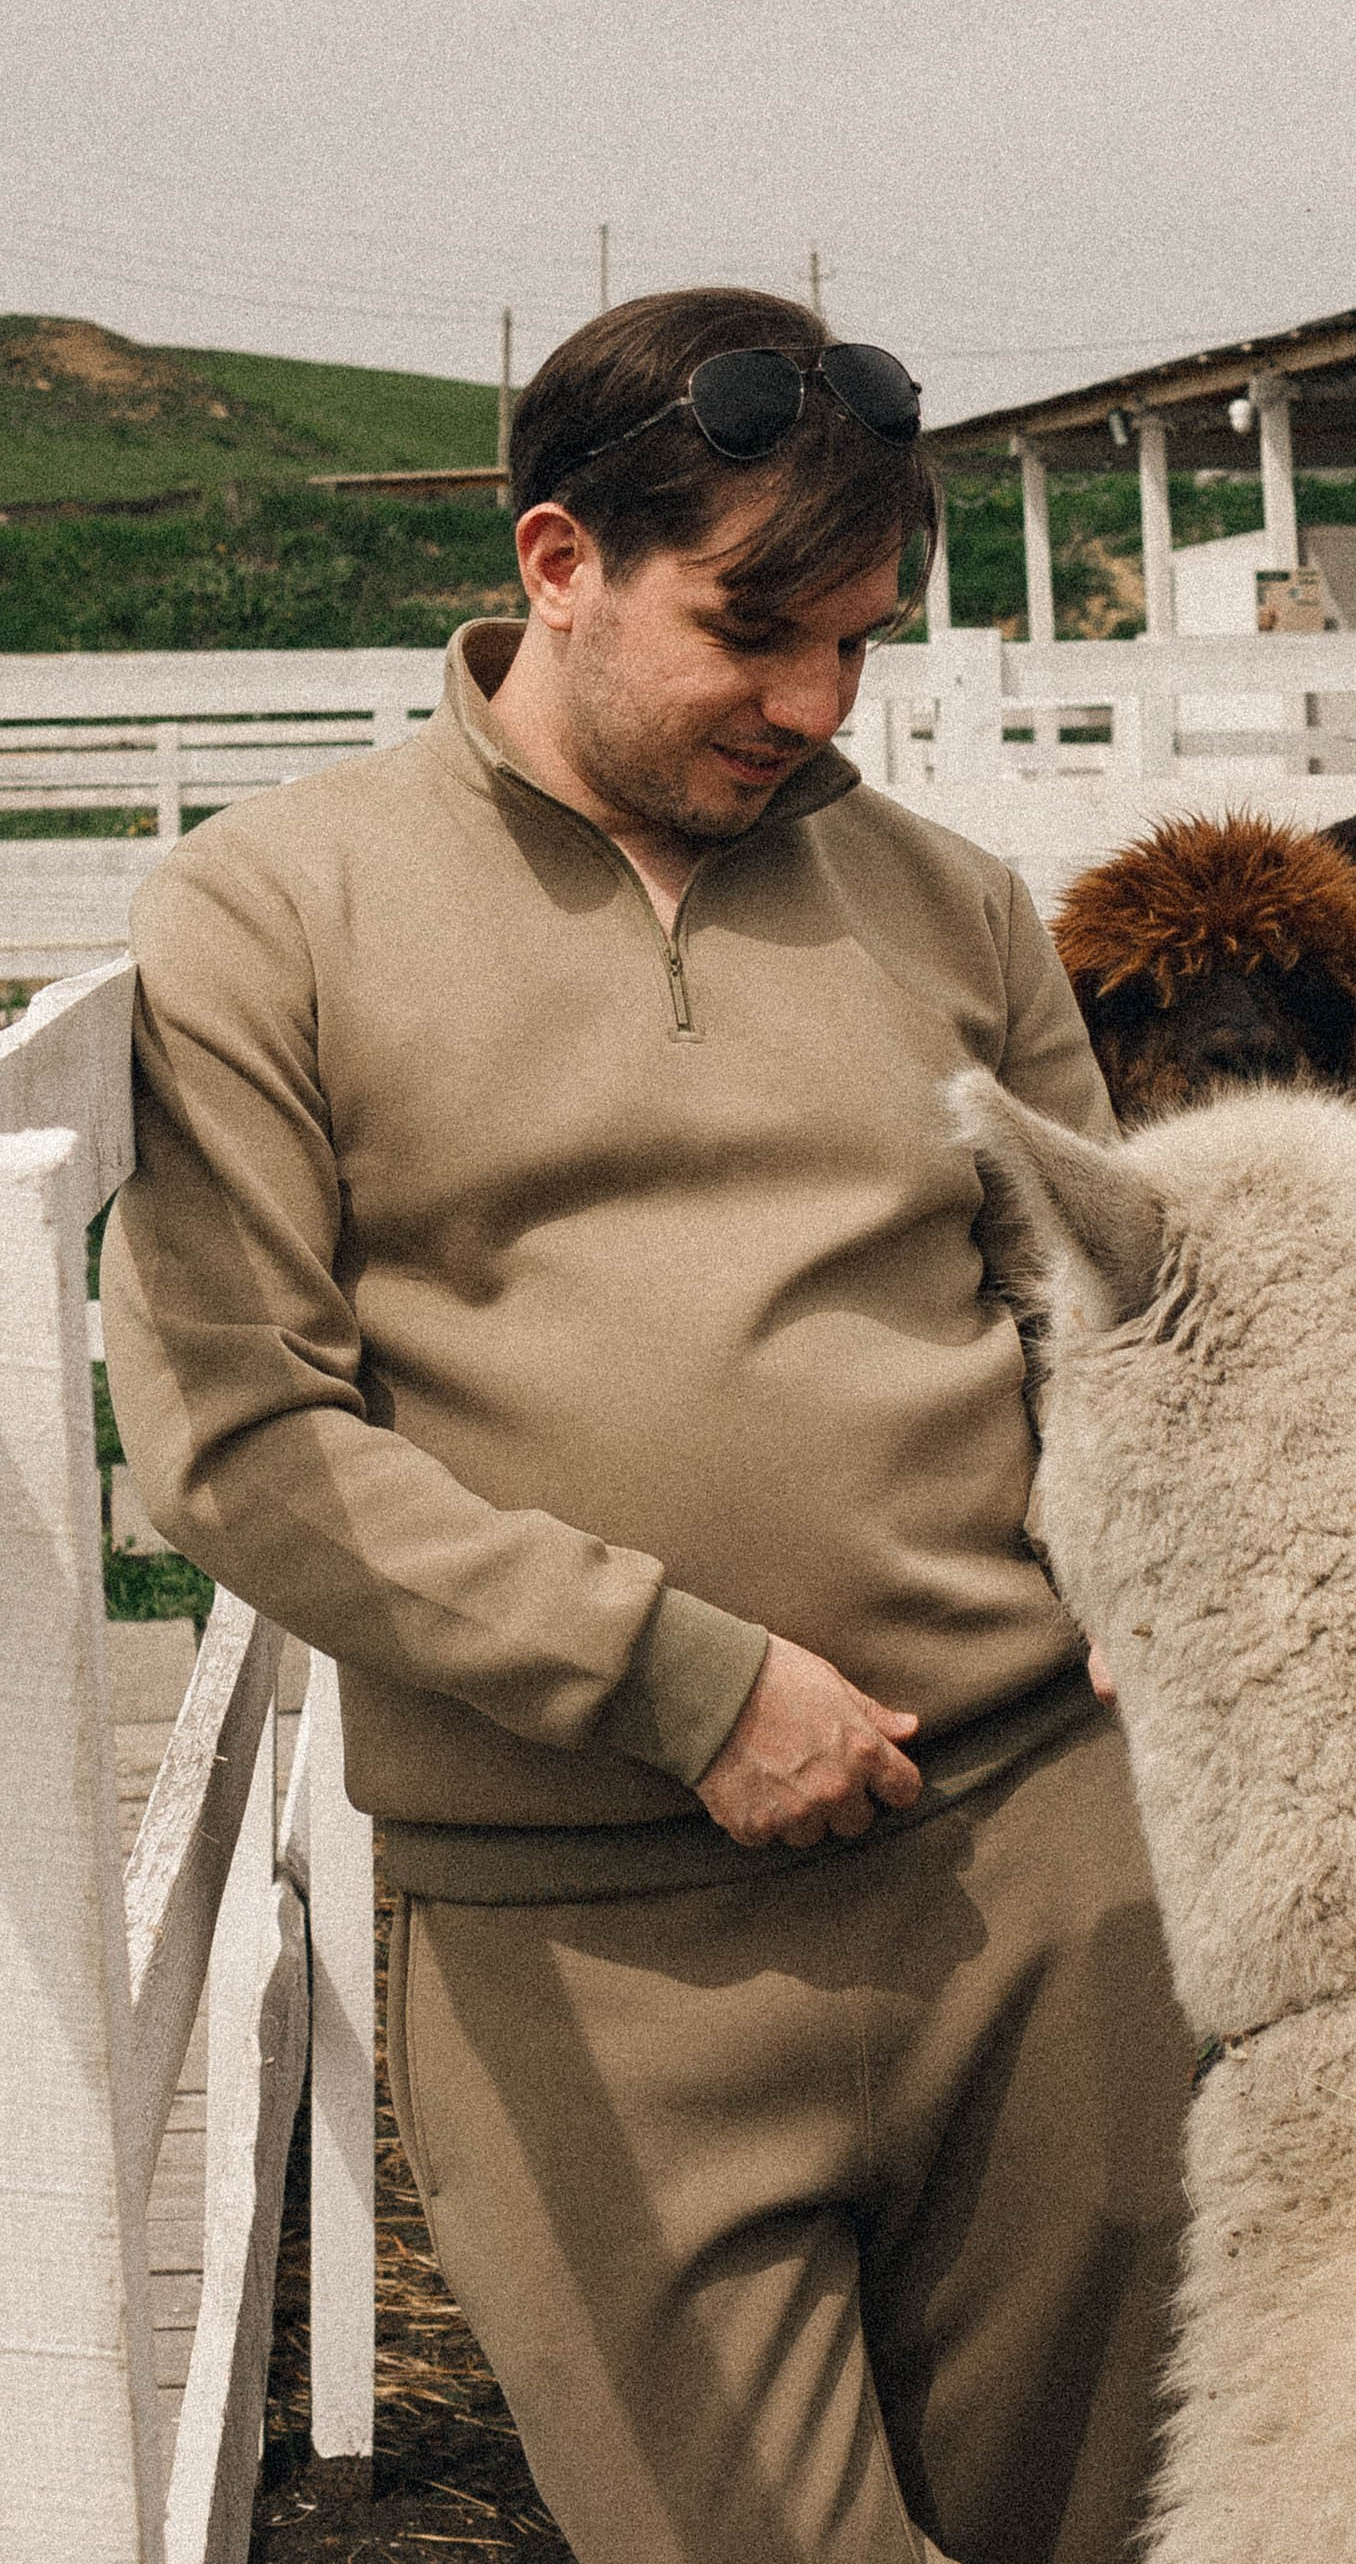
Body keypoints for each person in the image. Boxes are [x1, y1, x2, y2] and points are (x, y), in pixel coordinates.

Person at [103, 289, 1191, 2564]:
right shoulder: (273, 905)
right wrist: (686, 1680)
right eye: (754, 628)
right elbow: (238, 1433)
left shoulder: (951, 906)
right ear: (558, 558)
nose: (810, 707)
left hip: (1035, 1880)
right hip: (581, 1925)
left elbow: (1101, 1311)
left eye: (860, 643)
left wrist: (1143, 1546)